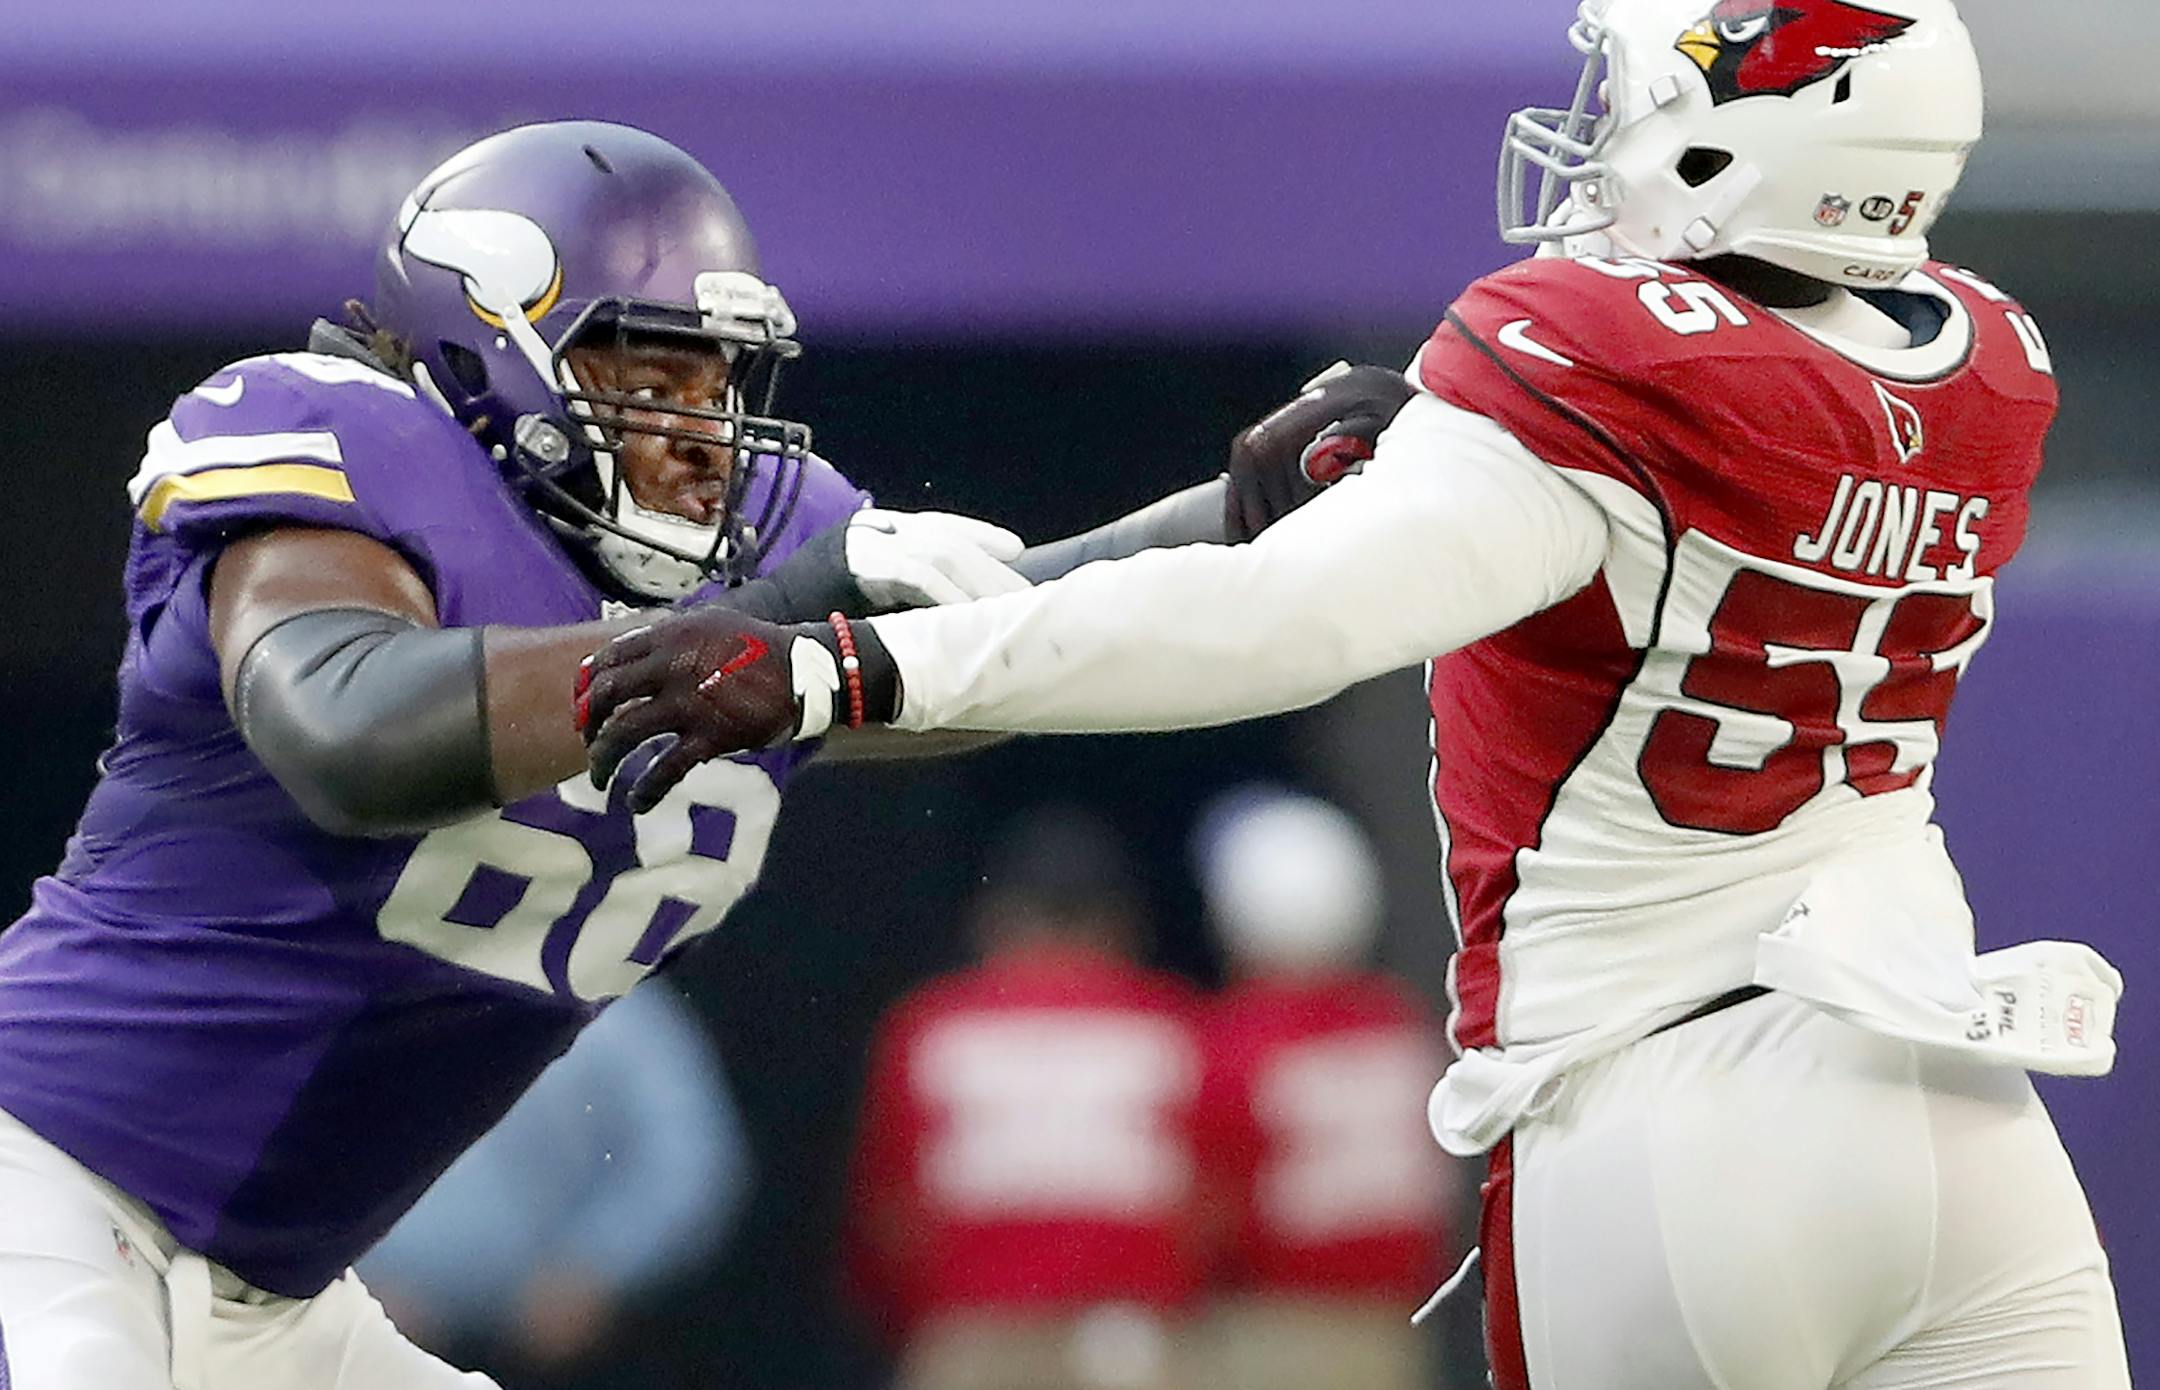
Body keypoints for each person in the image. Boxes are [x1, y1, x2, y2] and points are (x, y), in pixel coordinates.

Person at [578, 3, 2135, 1384]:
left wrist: (847, 666)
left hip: (1670, 1107)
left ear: (1752, 145)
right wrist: (1448, 445)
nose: (1604, 139)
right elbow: (1713, 503)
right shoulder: (1989, 357)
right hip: (1953, 1096)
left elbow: (1275, 620)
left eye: (1643, 103)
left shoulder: (1589, 347)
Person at [0, 119, 1345, 1390]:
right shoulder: (348, 459)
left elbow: (986, 657)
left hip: (275, 1302)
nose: (702, 437)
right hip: (50, 1185)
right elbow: (349, 726)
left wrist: (1235, 517)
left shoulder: (757, 552)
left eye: (718, 381)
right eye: (649, 380)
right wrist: (746, 632)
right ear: (490, 358)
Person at [842, 809, 1205, 1390]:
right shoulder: (1170, 1025)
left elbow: (887, 1216)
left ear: (996, 919)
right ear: (1119, 926)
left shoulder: (931, 1026)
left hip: (974, 1339)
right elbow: (1214, 1207)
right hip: (1130, 1346)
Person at [1189, 791, 1454, 1390]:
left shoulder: (1238, 1040)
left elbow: (1210, 1213)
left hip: (1271, 1332)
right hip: (1394, 1330)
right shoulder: (1400, 1026)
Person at [359, 981, 750, 1378]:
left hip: (558, 1347)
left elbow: (689, 1165)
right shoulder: (373, 987)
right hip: (368, 1340)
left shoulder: (620, 1008)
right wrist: (347, 1286)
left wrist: (596, 1265)